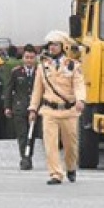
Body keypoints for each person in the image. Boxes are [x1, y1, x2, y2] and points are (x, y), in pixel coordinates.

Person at [29, 31, 86, 185]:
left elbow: (79, 84)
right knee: (50, 145)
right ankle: (55, 173)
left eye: (55, 44)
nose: (52, 48)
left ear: (63, 46)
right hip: (49, 110)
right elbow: (37, 90)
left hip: (69, 111)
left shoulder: (73, 65)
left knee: (71, 145)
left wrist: (81, 100)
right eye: (50, 45)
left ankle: (71, 167)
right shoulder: (43, 67)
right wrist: (33, 109)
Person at [3, 44, 40, 170]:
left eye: (31, 57)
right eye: (27, 57)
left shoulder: (39, 72)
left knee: (32, 134)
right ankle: (24, 158)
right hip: (19, 108)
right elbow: (8, 90)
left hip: (35, 109)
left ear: (35, 59)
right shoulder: (16, 72)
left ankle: (29, 155)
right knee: (22, 134)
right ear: (23, 58)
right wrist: (7, 107)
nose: (29, 60)